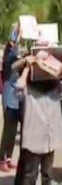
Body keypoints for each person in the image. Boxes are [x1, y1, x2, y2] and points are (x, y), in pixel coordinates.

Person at [15, 50, 62, 185]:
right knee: (29, 175)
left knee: (47, 175)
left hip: (50, 140)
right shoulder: (29, 90)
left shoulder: (55, 88)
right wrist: (27, 67)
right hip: (33, 140)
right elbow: (19, 87)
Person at [0, 41, 20, 171]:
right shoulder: (8, 60)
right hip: (9, 98)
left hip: (17, 99)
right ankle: (1, 159)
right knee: (7, 130)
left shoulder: (15, 58)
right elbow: (13, 62)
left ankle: (9, 157)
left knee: (13, 131)